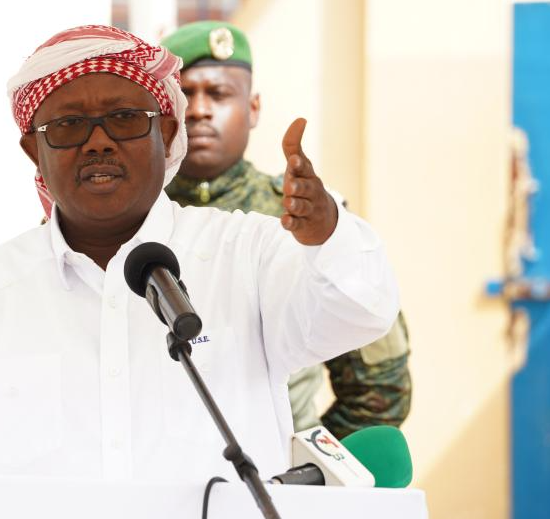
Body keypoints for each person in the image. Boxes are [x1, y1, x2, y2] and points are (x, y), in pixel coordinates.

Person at [0, 25, 399, 519]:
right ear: (33, 149)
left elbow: (358, 312)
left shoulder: (246, 253)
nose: (98, 141)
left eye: (124, 118)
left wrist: (327, 233)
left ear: (165, 130)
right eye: (68, 125)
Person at [162, 21, 411, 438]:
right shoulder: (128, 220)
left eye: (219, 94)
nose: (200, 110)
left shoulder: (304, 217)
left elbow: (381, 388)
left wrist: (306, 459)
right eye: (184, 95)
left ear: (253, 107)